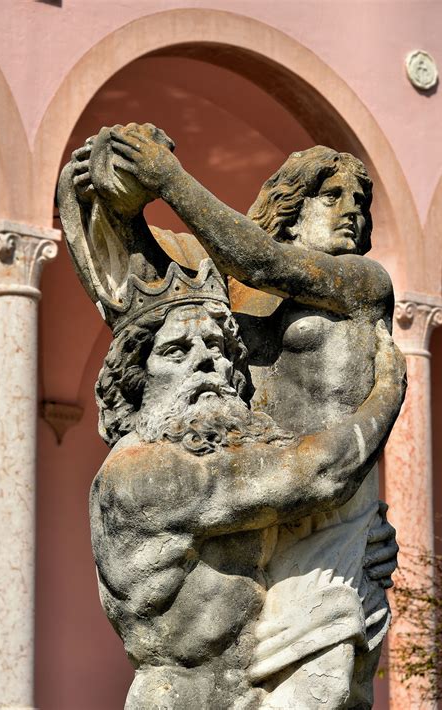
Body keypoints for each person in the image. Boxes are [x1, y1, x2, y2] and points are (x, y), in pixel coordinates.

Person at [95, 125, 399, 707]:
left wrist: (169, 180)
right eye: (332, 196)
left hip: (332, 503)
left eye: (360, 201)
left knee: (324, 687)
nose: (351, 212)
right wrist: (114, 199)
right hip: (274, 499)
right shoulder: (248, 307)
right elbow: (184, 296)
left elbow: (260, 260)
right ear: (293, 203)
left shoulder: (363, 283)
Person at [90, 291, 405, 709]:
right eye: (176, 351)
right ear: (137, 380)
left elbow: (299, 530)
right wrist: (388, 389)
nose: (206, 360)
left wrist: (360, 544)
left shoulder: (227, 472)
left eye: (218, 347)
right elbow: (322, 474)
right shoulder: (143, 472)